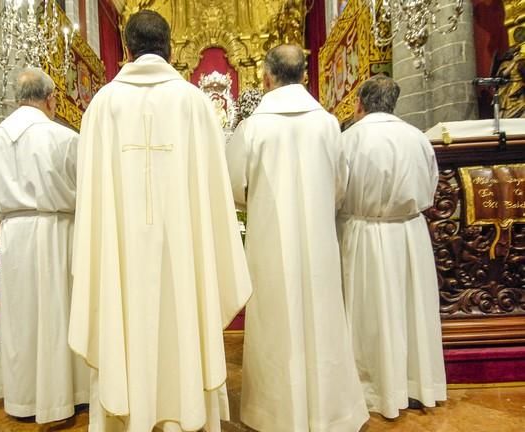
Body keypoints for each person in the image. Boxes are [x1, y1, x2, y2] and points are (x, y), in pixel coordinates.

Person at [69, 10, 252, 432]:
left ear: (127, 51)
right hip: (183, 253)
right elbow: (215, 197)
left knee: (122, 312)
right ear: (168, 49)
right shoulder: (194, 103)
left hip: (123, 255)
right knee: (184, 311)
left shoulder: (102, 106)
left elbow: (92, 198)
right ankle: (184, 415)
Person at [225, 44, 369, 432]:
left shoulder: (254, 126)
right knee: (322, 318)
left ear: (267, 77)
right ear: (304, 75)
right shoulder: (326, 123)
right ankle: (330, 411)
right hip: (319, 240)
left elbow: (235, 186)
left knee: (276, 321)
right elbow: (340, 184)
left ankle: (275, 414)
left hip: (271, 243)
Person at [0, 68, 88, 423]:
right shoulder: (63, 137)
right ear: (50, 98)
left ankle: (23, 396)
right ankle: (67, 394)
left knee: (21, 316)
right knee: (59, 312)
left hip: (14, 234)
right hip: (59, 230)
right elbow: (85, 191)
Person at [337, 75, 446, 419]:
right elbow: (431, 185)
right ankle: (416, 385)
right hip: (410, 234)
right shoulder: (418, 138)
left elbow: (337, 191)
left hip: (364, 234)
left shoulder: (349, 139)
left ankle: (374, 390)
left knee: (370, 314)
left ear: (360, 103)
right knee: (410, 308)